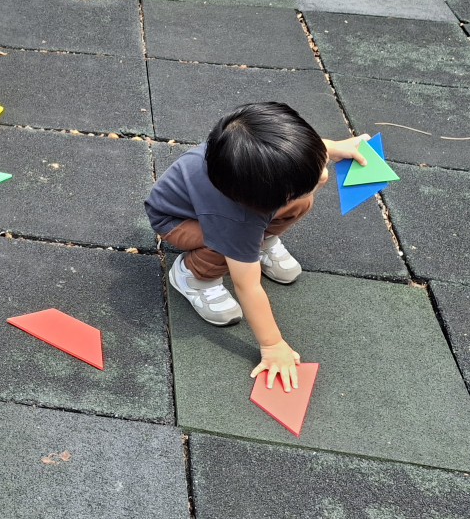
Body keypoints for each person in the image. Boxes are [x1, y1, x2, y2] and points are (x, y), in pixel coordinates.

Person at [145, 102, 368, 392]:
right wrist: (272, 344)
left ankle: (261, 239)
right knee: (229, 246)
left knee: (301, 201)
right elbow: (247, 285)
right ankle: (194, 276)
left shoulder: (256, 160)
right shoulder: (235, 218)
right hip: (178, 222)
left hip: (236, 208)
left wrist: (334, 148)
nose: (324, 177)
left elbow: (299, 152)